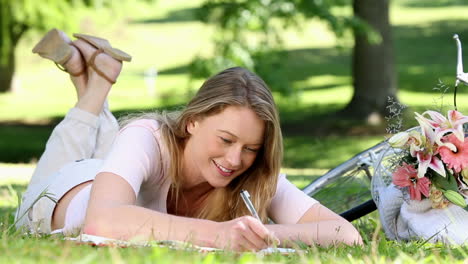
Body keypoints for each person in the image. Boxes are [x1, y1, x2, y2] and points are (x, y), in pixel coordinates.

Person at [16, 28, 363, 251]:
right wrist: (219, 235)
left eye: (251, 148)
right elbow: (101, 222)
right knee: (82, 145)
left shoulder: (253, 174)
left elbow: (345, 235)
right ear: (193, 121)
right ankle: (92, 86)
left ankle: (89, 73)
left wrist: (267, 235)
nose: (234, 159)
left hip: (117, 174)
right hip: (66, 191)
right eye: (225, 139)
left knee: (115, 147)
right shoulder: (148, 136)